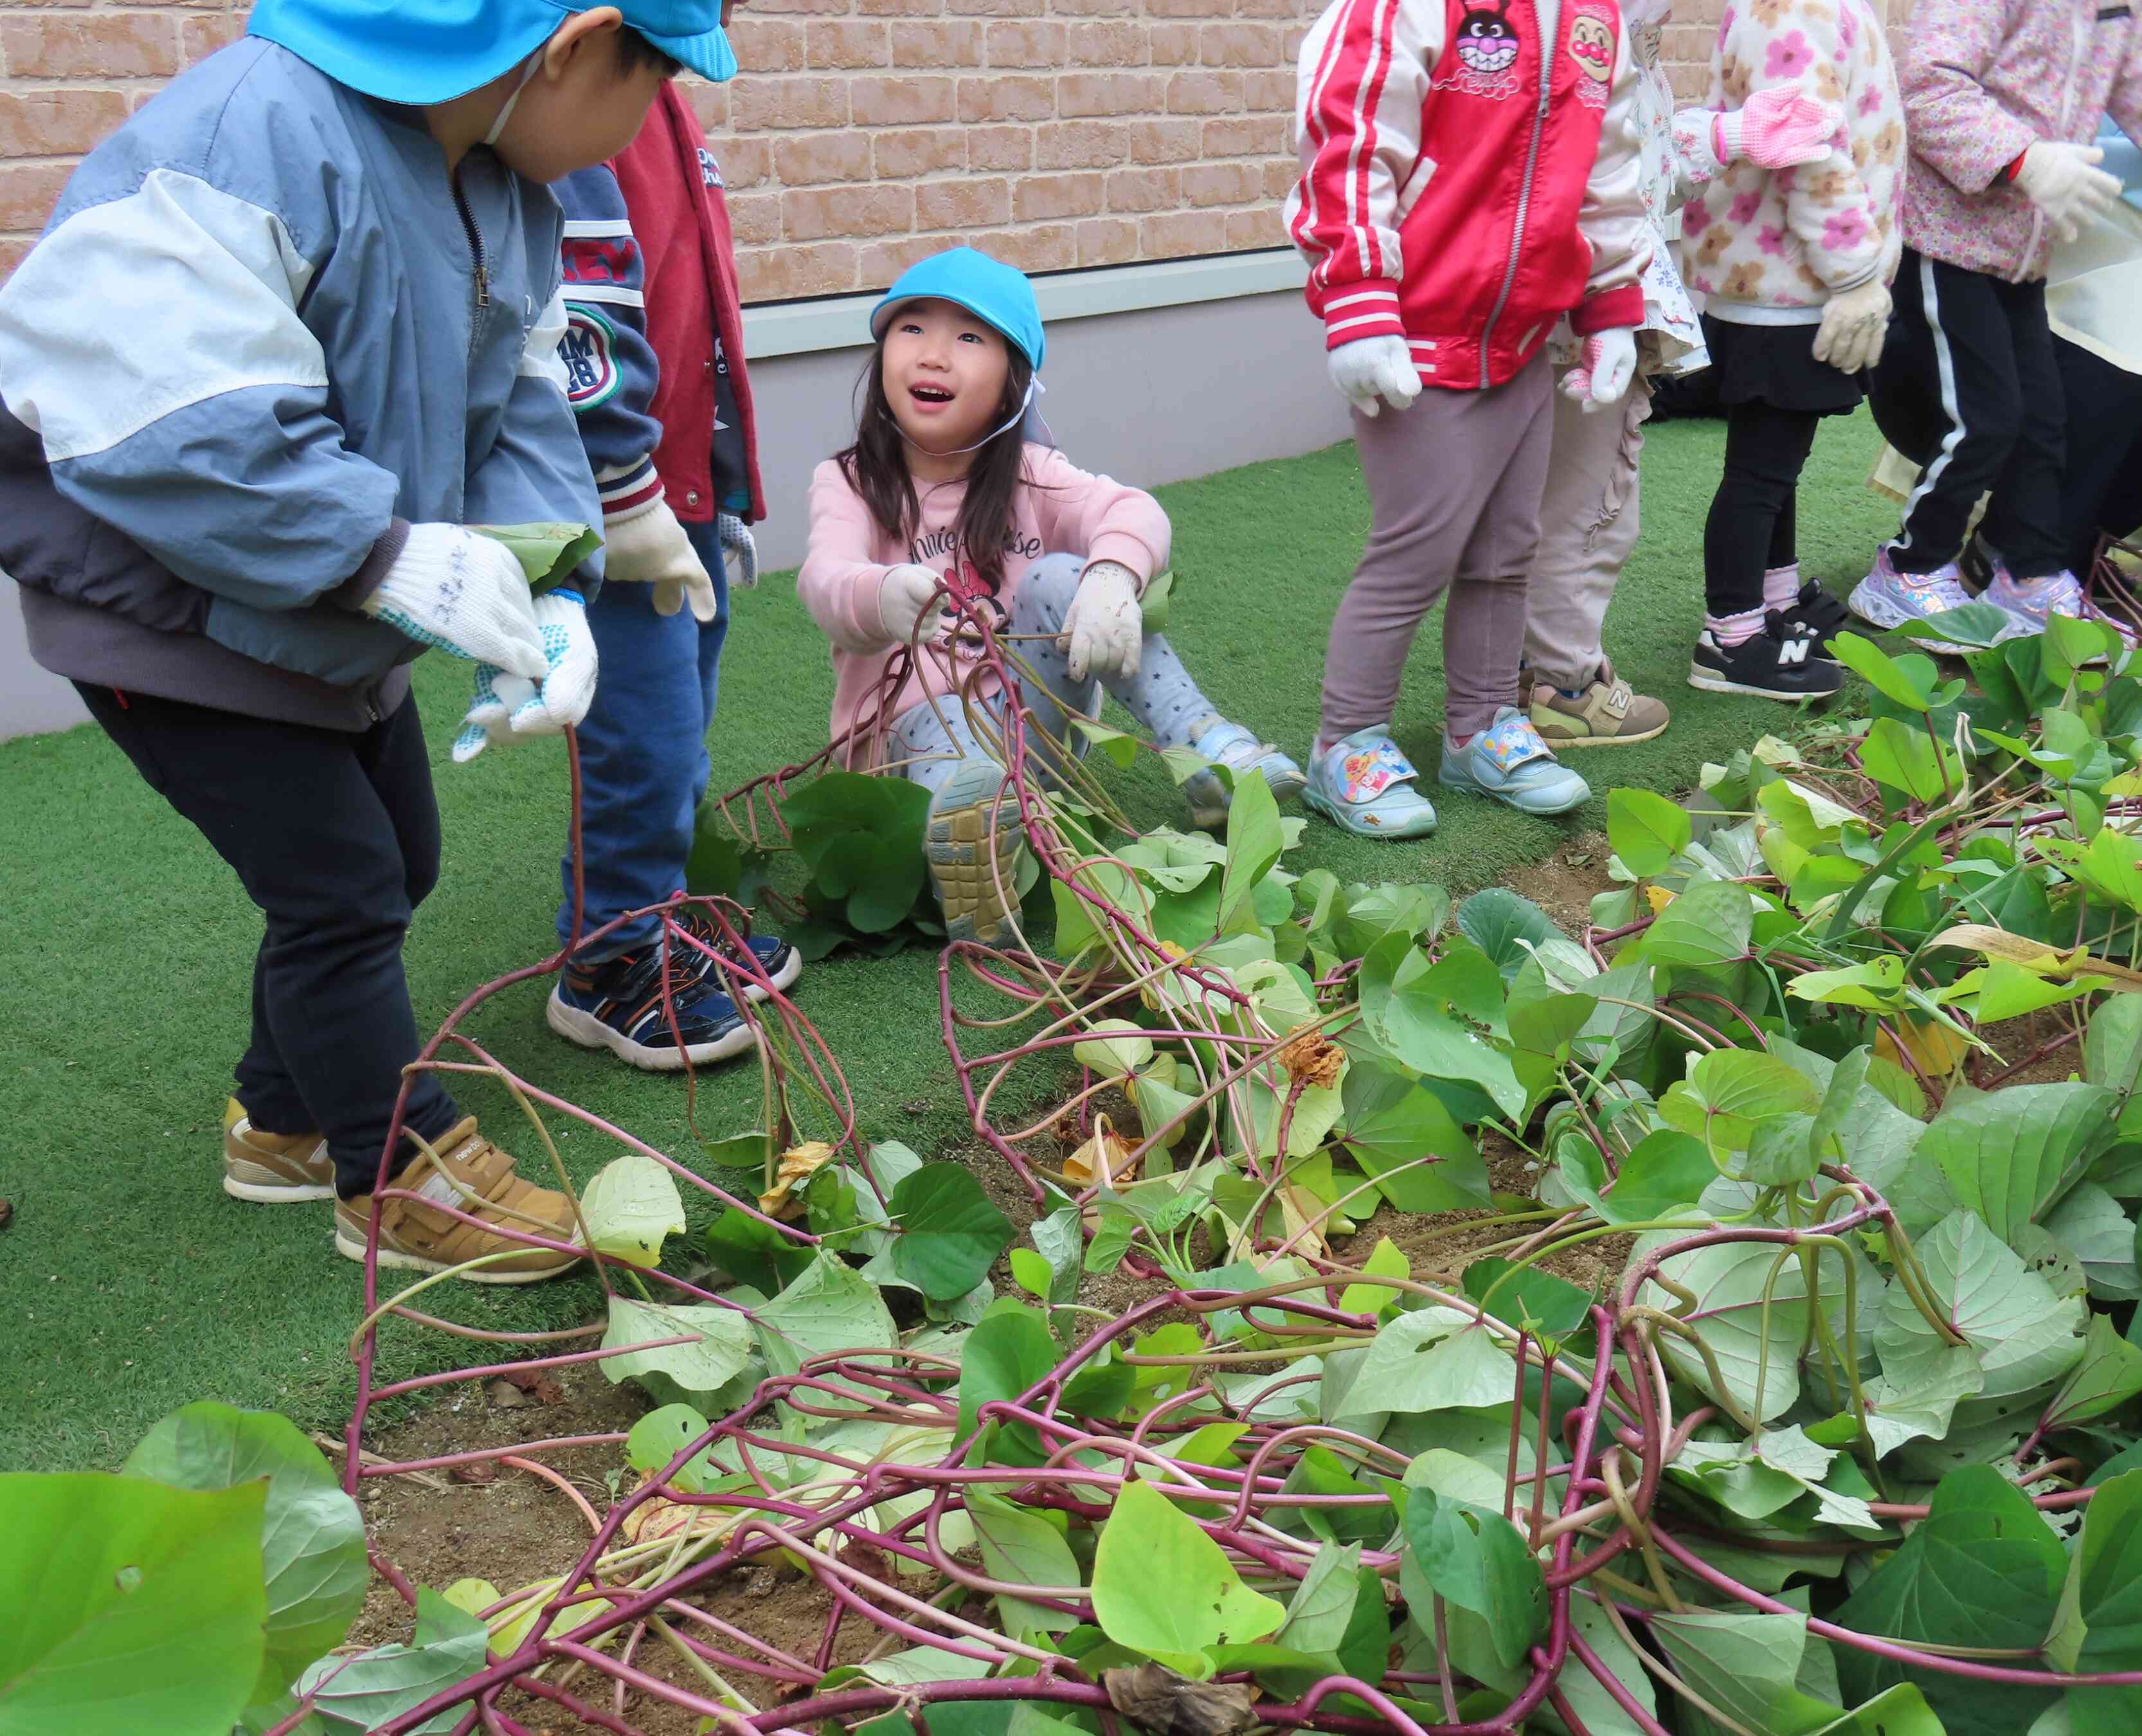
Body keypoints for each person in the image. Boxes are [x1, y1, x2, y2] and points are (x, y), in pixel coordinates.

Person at [0, 0, 736, 1282]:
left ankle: (281, 1120)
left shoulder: (500, 178)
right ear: (573, 45)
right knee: (338, 888)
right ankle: (397, 1169)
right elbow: (173, 423)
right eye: (659, 78)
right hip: (169, 614)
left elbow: (515, 393)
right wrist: (392, 554)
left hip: (326, 604)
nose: (657, 116)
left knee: (399, 856)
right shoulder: (253, 132)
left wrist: (551, 580)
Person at [796, 247, 1304, 943]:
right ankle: (977, 856)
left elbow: (1136, 512)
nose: (934, 356)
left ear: (1013, 383)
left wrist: (1112, 579)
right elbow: (824, 579)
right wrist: (879, 596)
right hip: (912, 743)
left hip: (1030, 726)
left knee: (1065, 576)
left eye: (970, 338)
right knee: (951, 749)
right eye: (912, 330)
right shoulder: (850, 482)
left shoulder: (1031, 473)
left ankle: (1208, 756)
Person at [1288, 0, 1652, 838]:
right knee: (1416, 550)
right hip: (1414, 335)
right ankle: (1344, 743)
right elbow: (1353, 132)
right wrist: (1360, 298)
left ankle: (1481, 724)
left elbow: (1608, 168)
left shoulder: (1595, 20)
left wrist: (1612, 310)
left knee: (1505, 548)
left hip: (1523, 337)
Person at [1853, 0, 2142, 651]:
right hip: (1951, 249)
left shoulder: (2121, 17)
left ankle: (2027, 574)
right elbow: (1926, 86)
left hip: (2025, 260)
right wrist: (2027, 162)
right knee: (1989, 417)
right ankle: (1908, 567)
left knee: (2038, 419)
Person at [525, 79, 801, 1072]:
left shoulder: (660, 100)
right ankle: (605, 968)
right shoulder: (580, 107)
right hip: (614, 499)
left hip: (683, 484)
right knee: (639, 741)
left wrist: (719, 485)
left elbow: (695, 308)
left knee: (682, 729)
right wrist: (623, 493)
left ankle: (656, 920)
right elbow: (578, 315)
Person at [1521, 0, 1839, 740]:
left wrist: (1723, 134)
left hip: (1559, 291)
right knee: (1589, 500)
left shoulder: (1615, 32)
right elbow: (1606, 172)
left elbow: (1638, 153)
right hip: (1585, 298)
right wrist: (1605, 303)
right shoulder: (1587, 31)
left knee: (1540, 498)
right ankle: (1564, 684)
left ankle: (1516, 676)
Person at [1677, 0, 1904, 702]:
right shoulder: (1796, 9)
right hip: (1785, 281)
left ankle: (1772, 599)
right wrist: (1856, 272)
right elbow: (1808, 152)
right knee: (1761, 470)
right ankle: (1731, 637)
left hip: (1789, 277)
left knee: (1777, 462)